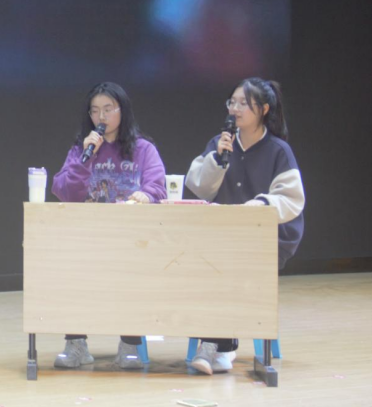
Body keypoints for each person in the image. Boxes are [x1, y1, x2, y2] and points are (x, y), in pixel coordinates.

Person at [185, 77, 305, 375]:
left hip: (266, 239)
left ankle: (214, 347)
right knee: (205, 263)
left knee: (227, 264)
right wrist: (217, 160)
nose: (235, 109)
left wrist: (260, 206)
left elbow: (292, 199)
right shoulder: (220, 143)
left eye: (244, 104)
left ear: (263, 109)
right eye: (232, 102)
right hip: (224, 237)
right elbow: (198, 187)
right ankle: (221, 348)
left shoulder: (278, 150)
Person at [51, 81, 167, 371]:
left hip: (131, 240)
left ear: (122, 111)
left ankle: (130, 345)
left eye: (107, 109)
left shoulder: (143, 149)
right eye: (94, 111)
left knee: (134, 272)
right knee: (70, 268)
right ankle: (76, 345)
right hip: (89, 238)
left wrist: (147, 195)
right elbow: (65, 192)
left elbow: (158, 186)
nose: (101, 117)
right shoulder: (82, 149)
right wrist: (84, 160)